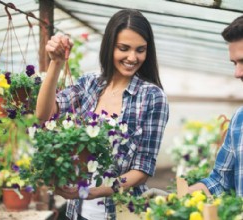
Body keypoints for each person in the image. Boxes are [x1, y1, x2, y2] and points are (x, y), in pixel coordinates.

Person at [36, 9, 169, 220]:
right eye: (123, 48)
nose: (132, 57)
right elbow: (44, 114)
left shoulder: (152, 97)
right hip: (76, 213)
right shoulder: (90, 83)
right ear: (109, 46)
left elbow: (142, 169)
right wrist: (56, 63)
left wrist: (96, 191)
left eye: (140, 50)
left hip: (122, 213)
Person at [188, 15, 243, 197]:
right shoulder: (239, 119)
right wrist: (171, 198)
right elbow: (219, 182)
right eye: (235, 63)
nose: (237, 73)